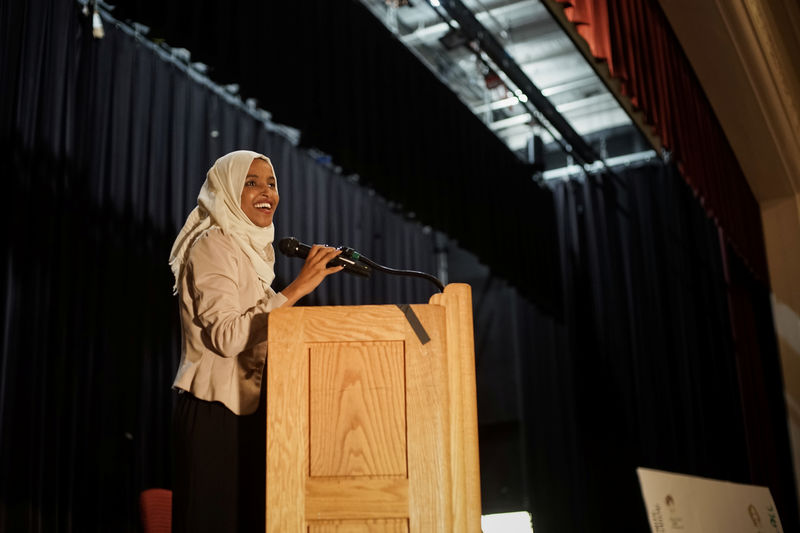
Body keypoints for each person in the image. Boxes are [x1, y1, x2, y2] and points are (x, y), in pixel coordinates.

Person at [167, 150, 343, 532]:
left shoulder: (252, 253)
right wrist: (296, 289)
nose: (267, 191)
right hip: (214, 411)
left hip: (253, 413)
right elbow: (228, 338)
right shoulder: (213, 244)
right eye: (251, 182)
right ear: (228, 190)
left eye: (272, 183)